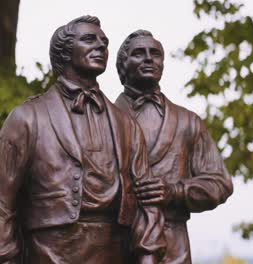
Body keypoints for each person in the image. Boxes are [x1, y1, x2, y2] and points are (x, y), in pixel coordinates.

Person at [0, 16, 165, 263]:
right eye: (89, 39)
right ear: (64, 52)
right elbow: (3, 201)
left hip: (114, 251)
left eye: (104, 42)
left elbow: (147, 203)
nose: (101, 46)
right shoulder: (27, 117)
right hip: (49, 252)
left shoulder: (126, 124)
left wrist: (149, 257)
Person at [115, 30, 233, 263]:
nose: (149, 59)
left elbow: (220, 183)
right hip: (116, 244)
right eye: (139, 53)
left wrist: (174, 191)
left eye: (155, 54)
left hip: (173, 246)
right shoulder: (102, 118)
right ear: (122, 67)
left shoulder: (188, 121)